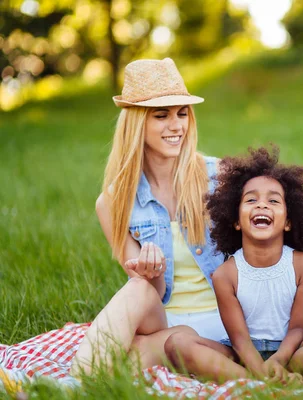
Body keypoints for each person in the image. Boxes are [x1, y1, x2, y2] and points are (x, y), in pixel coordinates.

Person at [71, 58, 228, 375]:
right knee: (139, 289)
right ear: (136, 124)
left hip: (226, 321)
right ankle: (69, 385)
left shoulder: (219, 177)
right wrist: (150, 273)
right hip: (166, 323)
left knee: (127, 361)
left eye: (182, 113)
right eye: (161, 115)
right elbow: (152, 294)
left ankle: (69, 385)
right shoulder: (114, 201)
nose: (176, 125)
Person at [163, 147, 303, 384]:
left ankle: (274, 377)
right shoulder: (225, 275)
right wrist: (260, 368)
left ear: (289, 221)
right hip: (241, 355)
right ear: (236, 221)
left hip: (290, 352)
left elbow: (298, 329)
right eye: (251, 200)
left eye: (273, 200)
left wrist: (278, 361)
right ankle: (267, 382)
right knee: (177, 344)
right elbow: (239, 339)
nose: (261, 205)